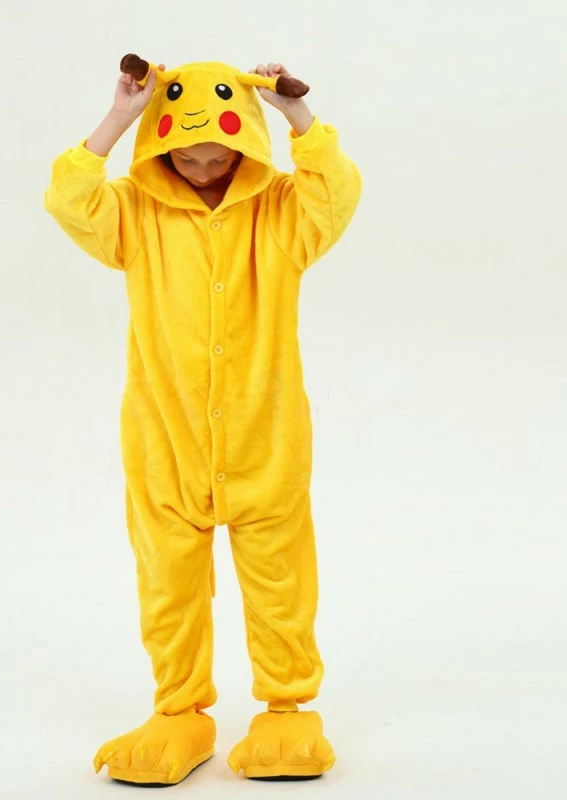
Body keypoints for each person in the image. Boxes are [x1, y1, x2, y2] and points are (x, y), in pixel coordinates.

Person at [43, 55, 363, 785]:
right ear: (160, 150)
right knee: (169, 582)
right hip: (165, 439)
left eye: (219, 157)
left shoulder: (282, 212)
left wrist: (294, 113)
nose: (203, 170)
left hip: (265, 437)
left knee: (280, 578)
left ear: (245, 145)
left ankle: (287, 710)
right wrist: (121, 116)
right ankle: (179, 711)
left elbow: (336, 191)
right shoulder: (135, 212)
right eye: (185, 158)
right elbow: (69, 200)